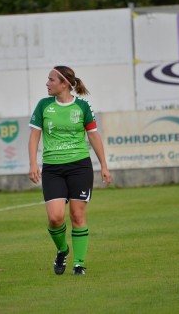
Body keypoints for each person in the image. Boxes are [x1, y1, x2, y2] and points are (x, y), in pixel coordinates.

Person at [28, 65, 112, 276]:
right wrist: (32, 164)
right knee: (55, 218)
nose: (47, 83)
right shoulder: (43, 105)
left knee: (77, 215)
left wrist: (103, 165)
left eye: (51, 80)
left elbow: (93, 135)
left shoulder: (82, 106)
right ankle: (62, 250)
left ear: (64, 83)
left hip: (79, 167)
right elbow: (34, 136)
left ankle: (79, 264)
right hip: (53, 169)